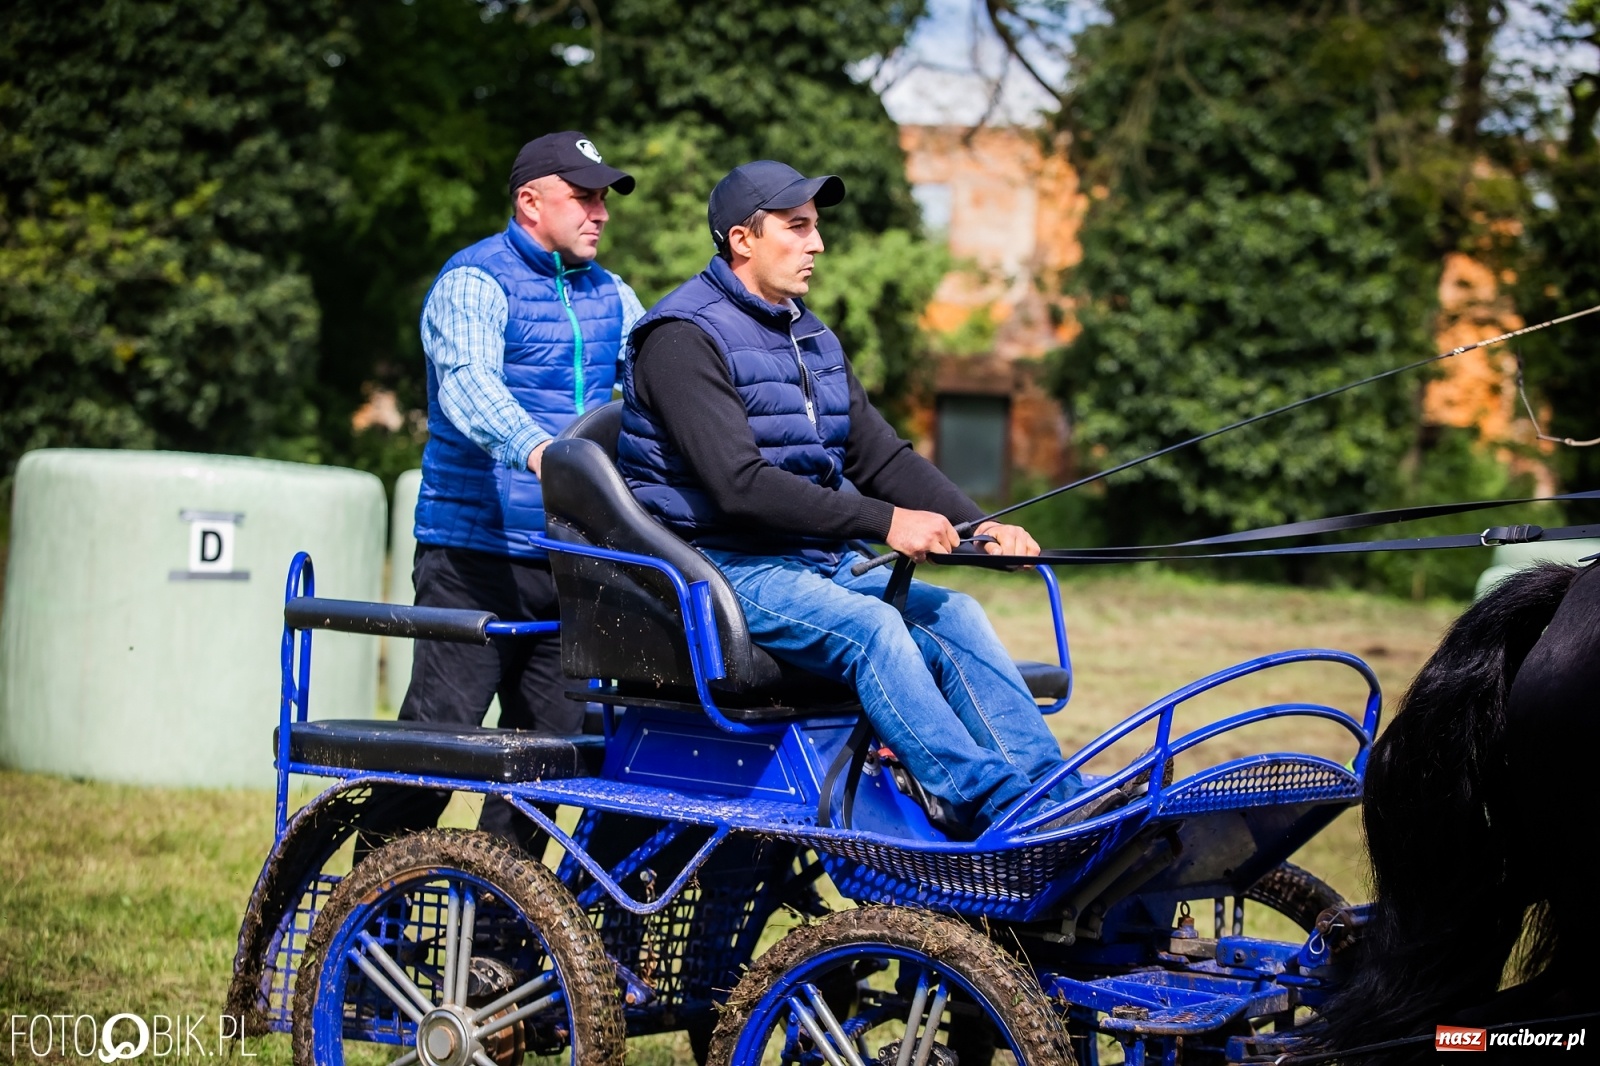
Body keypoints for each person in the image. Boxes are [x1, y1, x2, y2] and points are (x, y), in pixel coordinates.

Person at [615, 160, 1079, 835]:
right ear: (742, 239)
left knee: (956, 612)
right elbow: (739, 486)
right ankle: (987, 804)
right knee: (873, 629)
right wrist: (886, 522)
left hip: (817, 561)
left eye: (816, 227)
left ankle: (1053, 798)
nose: (818, 244)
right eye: (797, 227)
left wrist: (980, 526)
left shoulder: (811, 336)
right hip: (723, 568)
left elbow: (879, 456)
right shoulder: (682, 338)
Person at [401, 131, 644, 844]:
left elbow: (655, 392)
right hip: (472, 559)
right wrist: (544, 453)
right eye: (584, 196)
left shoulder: (614, 295)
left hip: (570, 561)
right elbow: (469, 385)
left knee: (544, 769)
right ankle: (371, 899)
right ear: (530, 202)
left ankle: (502, 915)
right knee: (433, 754)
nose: (601, 212)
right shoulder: (474, 281)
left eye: (604, 198)